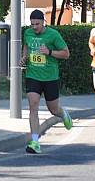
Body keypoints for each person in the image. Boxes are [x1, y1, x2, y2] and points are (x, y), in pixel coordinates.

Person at [20, 9, 73, 154]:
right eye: (32, 24)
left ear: (43, 22)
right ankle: (35, 142)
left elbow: (66, 54)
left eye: (37, 24)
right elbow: (26, 46)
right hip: (33, 75)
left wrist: (49, 52)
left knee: (53, 109)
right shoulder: (28, 33)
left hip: (50, 77)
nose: (34, 27)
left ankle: (63, 114)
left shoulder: (53, 35)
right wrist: (24, 56)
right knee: (33, 105)